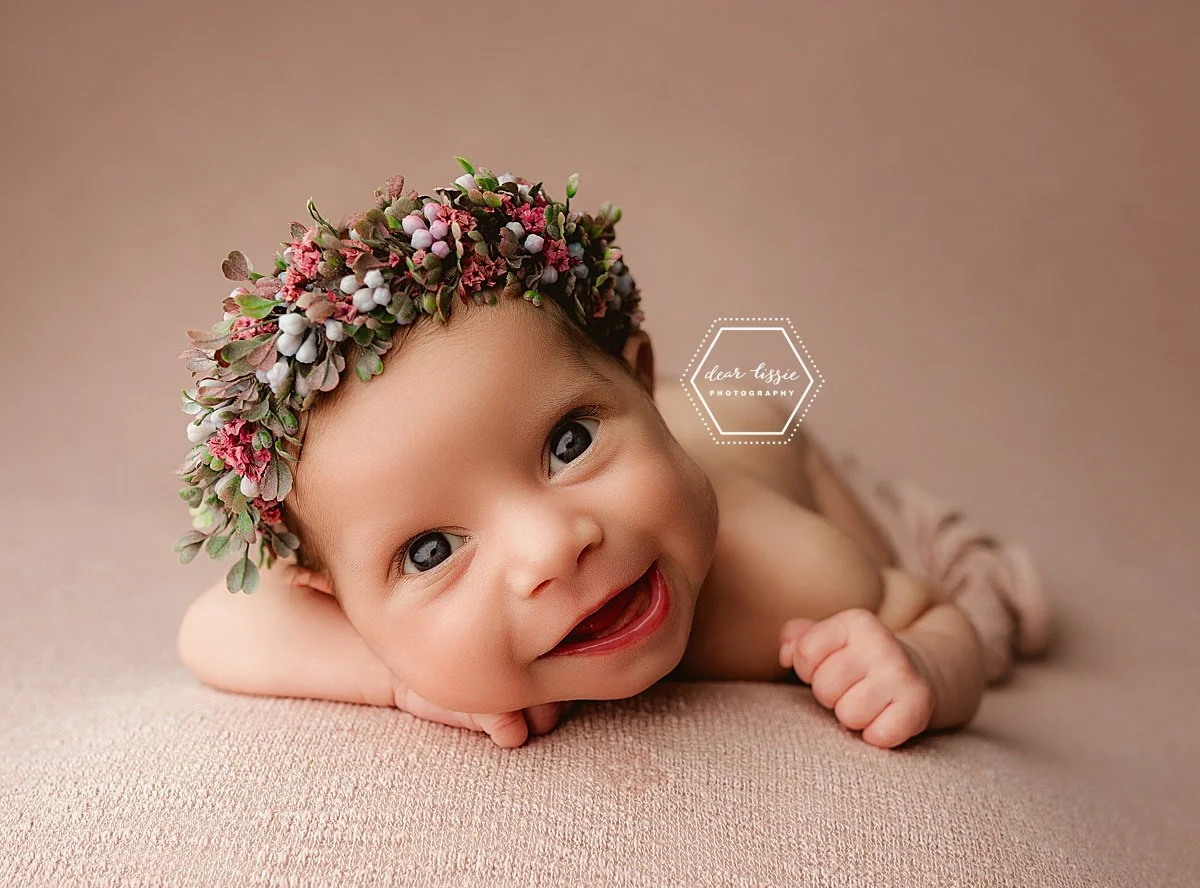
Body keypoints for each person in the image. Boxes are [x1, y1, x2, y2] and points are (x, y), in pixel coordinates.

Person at [174, 160, 1003, 751]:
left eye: (569, 444)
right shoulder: (331, 581)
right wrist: (401, 677)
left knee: (879, 536)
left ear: (640, 383)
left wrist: (922, 663)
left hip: (759, 438)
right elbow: (213, 627)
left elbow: (933, 611)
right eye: (431, 551)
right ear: (335, 596)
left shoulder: (790, 580)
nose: (552, 548)